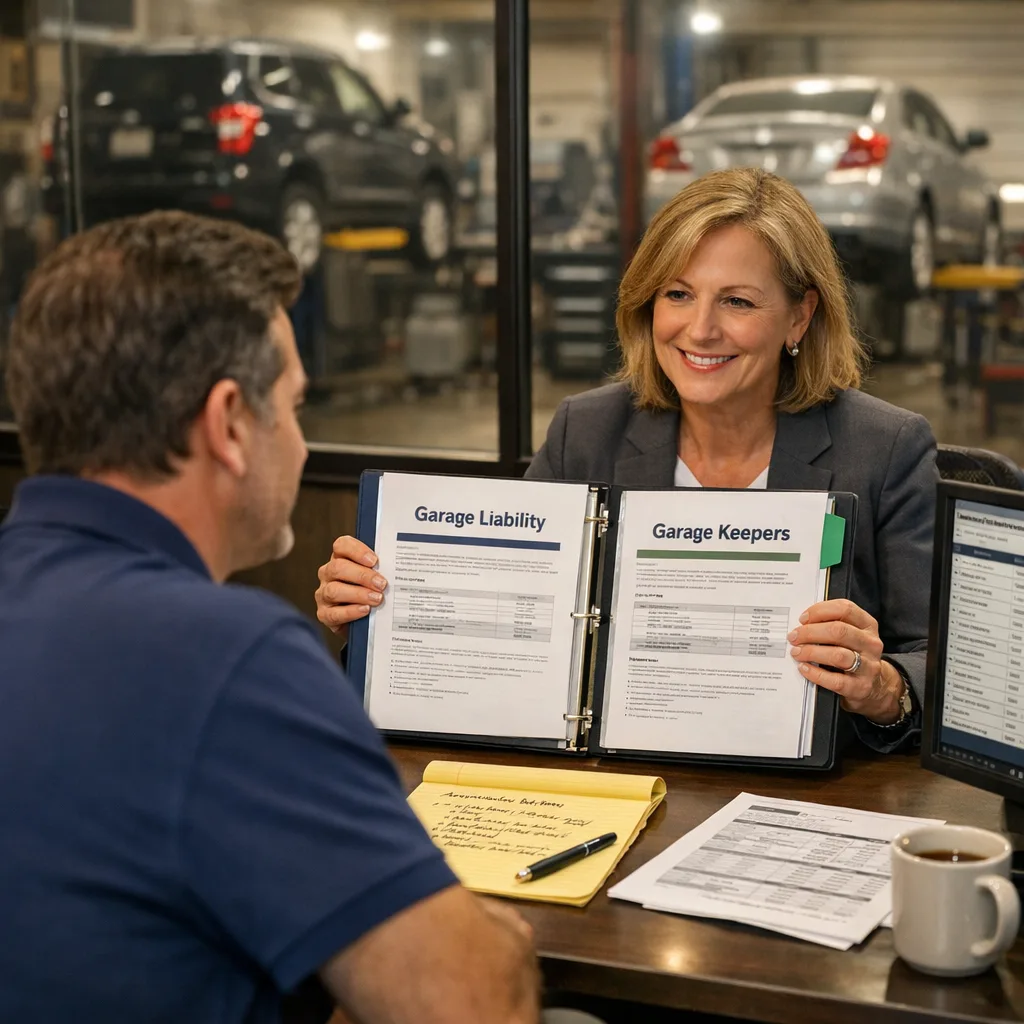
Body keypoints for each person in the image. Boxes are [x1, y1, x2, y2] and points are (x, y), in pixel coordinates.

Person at [0, 211, 540, 1024]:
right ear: (227, 425)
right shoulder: (226, 659)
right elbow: (472, 1006)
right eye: (290, 407)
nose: (298, 441)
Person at [316, 167, 937, 753]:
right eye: (678, 293)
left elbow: (942, 662)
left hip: (813, 798)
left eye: (738, 302)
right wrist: (380, 617)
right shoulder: (585, 431)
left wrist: (884, 690)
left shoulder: (885, 448)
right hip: (616, 785)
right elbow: (513, 627)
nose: (699, 329)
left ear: (800, 316)